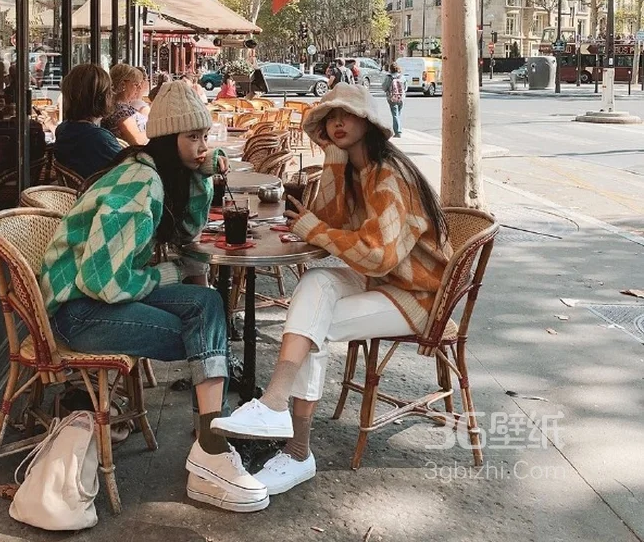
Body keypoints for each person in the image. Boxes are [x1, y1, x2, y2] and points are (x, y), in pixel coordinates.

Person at [210, 83, 451, 495]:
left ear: (368, 122)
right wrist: (333, 160)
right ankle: (275, 405)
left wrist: (316, 230)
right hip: (383, 280)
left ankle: (297, 449)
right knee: (315, 283)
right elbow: (329, 218)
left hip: (417, 294)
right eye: (330, 118)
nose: (338, 123)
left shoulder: (389, 175)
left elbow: (378, 254)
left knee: (313, 325)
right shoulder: (356, 169)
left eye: (347, 115)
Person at [40, 79, 269, 512]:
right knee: (202, 338)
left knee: (208, 305)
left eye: (204, 136)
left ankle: (210, 438)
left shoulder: (157, 173)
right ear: (168, 138)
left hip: (96, 300)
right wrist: (167, 273)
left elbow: (187, 233)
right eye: (193, 137)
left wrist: (201, 176)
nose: (203, 146)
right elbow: (102, 281)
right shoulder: (138, 183)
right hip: (77, 312)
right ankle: (212, 449)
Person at [52, 64, 121, 179]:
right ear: (102, 98)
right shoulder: (99, 138)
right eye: (110, 90)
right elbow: (130, 171)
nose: (112, 94)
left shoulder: (63, 129)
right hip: (101, 188)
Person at [101, 63, 149, 145]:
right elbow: (137, 140)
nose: (140, 88)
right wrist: (154, 128)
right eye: (136, 84)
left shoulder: (121, 107)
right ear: (123, 84)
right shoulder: (120, 111)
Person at [382, 62, 407, 137]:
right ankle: (399, 129)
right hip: (401, 97)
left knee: (395, 114)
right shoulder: (402, 77)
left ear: (391, 69)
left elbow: (384, 87)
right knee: (398, 114)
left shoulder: (389, 77)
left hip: (392, 98)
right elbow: (405, 88)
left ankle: (397, 132)